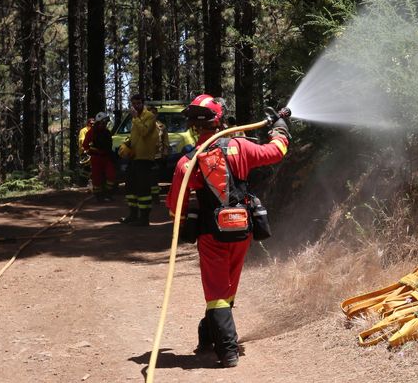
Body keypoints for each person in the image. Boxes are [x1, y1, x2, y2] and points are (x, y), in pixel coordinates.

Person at [165, 94, 290, 368]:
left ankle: (228, 351)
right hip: (242, 230)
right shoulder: (240, 147)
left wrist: (184, 221)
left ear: (193, 126)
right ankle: (208, 333)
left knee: (216, 293)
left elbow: (175, 209)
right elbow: (276, 152)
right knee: (227, 287)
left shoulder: (187, 162)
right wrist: (280, 128)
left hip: (211, 235)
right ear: (219, 120)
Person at [118, 93, 160, 226]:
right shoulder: (135, 119)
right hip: (134, 157)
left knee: (143, 189)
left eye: (138, 103)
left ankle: (144, 218)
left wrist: (136, 118)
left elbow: (144, 132)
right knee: (130, 187)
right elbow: (136, 136)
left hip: (145, 159)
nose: (136, 106)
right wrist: (127, 144)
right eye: (134, 104)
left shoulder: (149, 116)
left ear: (143, 103)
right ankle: (133, 215)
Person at [82, 112, 117, 201]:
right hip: (96, 158)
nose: (105, 124)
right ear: (98, 122)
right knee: (97, 178)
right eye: (103, 122)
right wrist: (90, 151)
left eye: (106, 123)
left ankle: (108, 193)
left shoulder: (107, 132)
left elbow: (109, 145)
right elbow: (85, 145)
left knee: (111, 175)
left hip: (106, 157)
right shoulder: (91, 132)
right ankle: (99, 195)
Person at [148, 105, 170, 204]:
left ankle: (155, 197)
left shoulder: (162, 127)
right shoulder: (142, 125)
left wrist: (165, 153)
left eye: (154, 113)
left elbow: (166, 141)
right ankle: (147, 196)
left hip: (157, 157)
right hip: (145, 156)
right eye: (150, 113)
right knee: (146, 177)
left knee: (154, 178)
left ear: (156, 114)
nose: (152, 115)